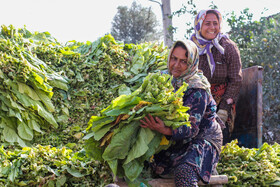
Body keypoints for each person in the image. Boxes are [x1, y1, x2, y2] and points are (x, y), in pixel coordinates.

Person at [140, 40, 223, 187]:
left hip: (201, 137)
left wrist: (163, 129)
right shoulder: (164, 79)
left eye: (184, 61)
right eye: (174, 59)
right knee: (151, 165)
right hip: (175, 139)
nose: (176, 65)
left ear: (191, 63)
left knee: (184, 171)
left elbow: (191, 129)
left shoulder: (197, 89)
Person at [190, 9, 242, 144]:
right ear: (199, 24)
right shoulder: (190, 47)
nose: (212, 27)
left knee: (216, 139)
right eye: (207, 23)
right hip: (196, 101)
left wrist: (224, 110)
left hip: (222, 102)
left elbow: (236, 80)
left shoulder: (228, 47)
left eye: (215, 23)